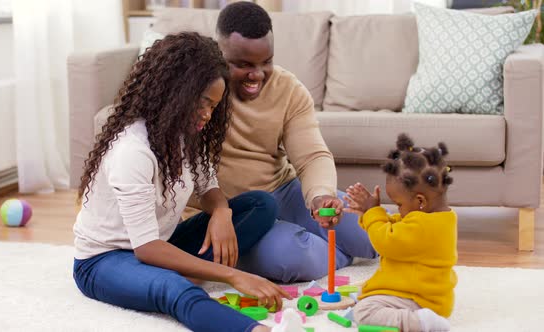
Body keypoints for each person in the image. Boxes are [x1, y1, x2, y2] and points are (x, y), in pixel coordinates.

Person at [72, 32, 294, 332]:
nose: (207, 115)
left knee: (260, 204)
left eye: (214, 106)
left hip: (160, 243)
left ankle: (182, 271)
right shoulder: (132, 150)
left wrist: (221, 212)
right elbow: (146, 249)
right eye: (202, 103)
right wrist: (233, 276)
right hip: (105, 261)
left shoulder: (185, 134)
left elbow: (208, 185)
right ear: (175, 93)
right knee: (175, 291)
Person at [186, 1, 377, 282]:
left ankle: (321, 246)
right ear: (219, 52)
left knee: (369, 233)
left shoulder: (288, 89)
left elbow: (312, 156)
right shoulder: (197, 92)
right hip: (231, 211)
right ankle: (329, 254)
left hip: (283, 191)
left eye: (266, 62)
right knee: (292, 257)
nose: (257, 75)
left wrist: (320, 195)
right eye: (243, 65)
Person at [344, 134, 457, 332]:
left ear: (420, 201)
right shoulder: (436, 219)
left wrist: (372, 213)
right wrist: (368, 214)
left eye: (399, 204)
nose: (397, 210)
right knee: (365, 291)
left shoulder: (422, 226)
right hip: (424, 292)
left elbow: (386, 241)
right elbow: (397, 228)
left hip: (417, 298)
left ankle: (421, 323)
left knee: (364, 312)